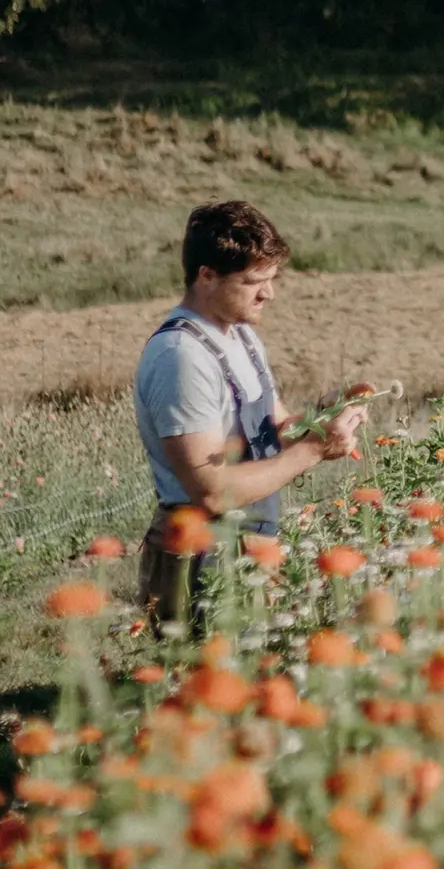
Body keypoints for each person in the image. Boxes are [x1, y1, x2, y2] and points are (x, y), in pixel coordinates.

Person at [134, 201, 367, 634]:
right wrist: (316, 450)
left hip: (250, 544)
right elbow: (211, 493)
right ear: (207, 276)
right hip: (202, 557)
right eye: (253, 281)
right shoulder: (181, 358)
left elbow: (277, 429)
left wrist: (324, 416)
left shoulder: (239, 335)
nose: (269, 293)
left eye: (272, 278)